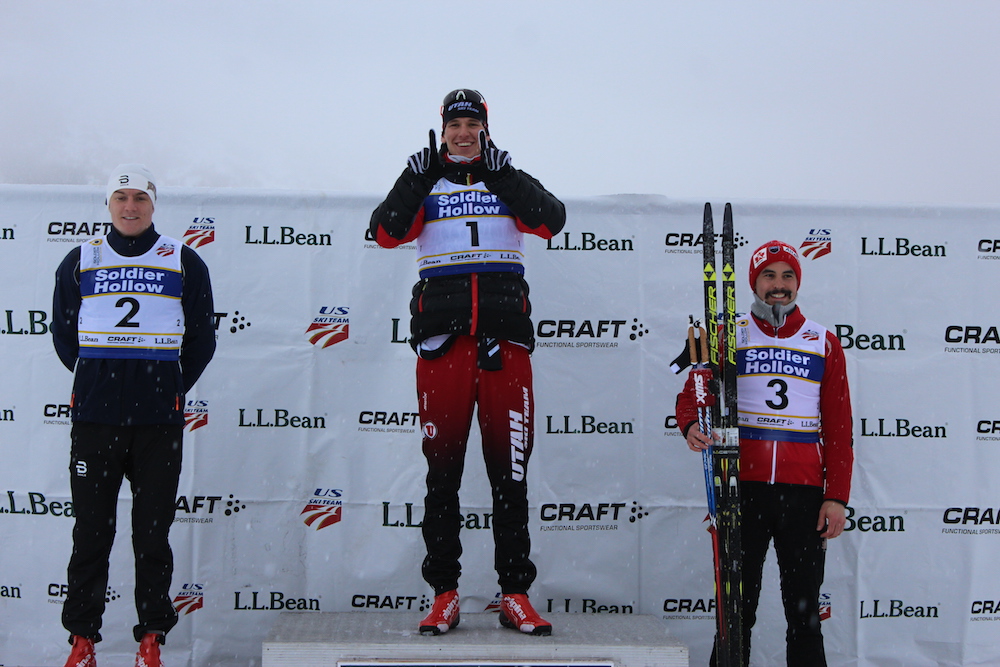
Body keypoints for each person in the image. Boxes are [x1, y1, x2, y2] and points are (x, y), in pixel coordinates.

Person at [369, 89, 565, 636]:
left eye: (471, 124)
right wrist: (413, 180)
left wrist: (506, 178)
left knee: (511, 475)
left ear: (485, 128)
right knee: (442, 476)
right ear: (443, 128)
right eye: (454, 124)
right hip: (443, 348)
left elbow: (552, 221)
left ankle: (515, 594)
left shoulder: (507, 176)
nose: (463, 133)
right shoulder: (424, 180)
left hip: (504, 348)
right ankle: (445, 593)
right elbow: (385, 233)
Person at [52, 164, 216, 667]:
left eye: (139, 199)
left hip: (157, 425)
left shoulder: (184, 259)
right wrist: (99, 383)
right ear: (107, 205)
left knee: (152, 533)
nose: (130, 207)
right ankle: (83, 641)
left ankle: (151, 638)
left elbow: (202, 341)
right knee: (91, 532)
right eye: (120, 198)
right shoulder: (80, 259)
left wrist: (166, 389)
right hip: (96, 421)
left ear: (153, 205)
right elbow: (64, 336)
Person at [676, 240, 853, 666]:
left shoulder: (822, 342)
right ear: (754, 282)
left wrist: (836, 497)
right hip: (742, 488)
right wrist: (691, 425)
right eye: (769, 276)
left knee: (804, 615)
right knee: (736, 614)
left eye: (787, 275)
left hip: (804, 495)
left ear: (798, 282)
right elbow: (691, 394)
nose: (778, 285)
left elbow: (840, 425)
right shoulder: (728, 334)